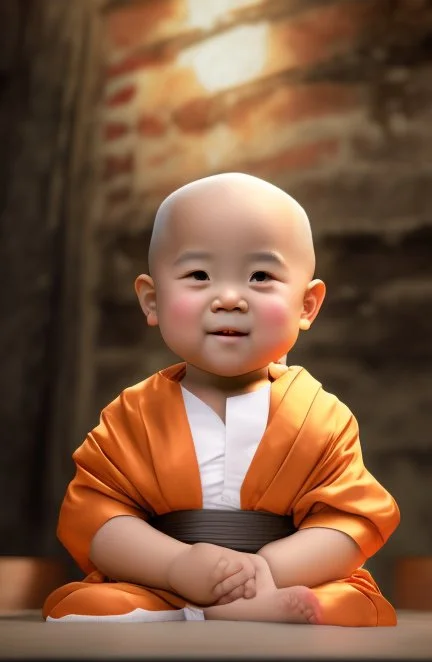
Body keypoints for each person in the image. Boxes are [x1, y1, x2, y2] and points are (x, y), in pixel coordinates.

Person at [42, 172, 400, 626]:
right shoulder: (132, 414)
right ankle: (213, 612)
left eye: (260, 276)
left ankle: (255, 608)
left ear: (306, 306)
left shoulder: (322, 417)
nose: (229, 298)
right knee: (88, 608)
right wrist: (175, 566)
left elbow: (351, 523)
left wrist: (266, 570)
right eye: (199, 275)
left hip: (287, 580)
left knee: (346, 605)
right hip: (165, 586)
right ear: (151, 300)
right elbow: (95, 516)